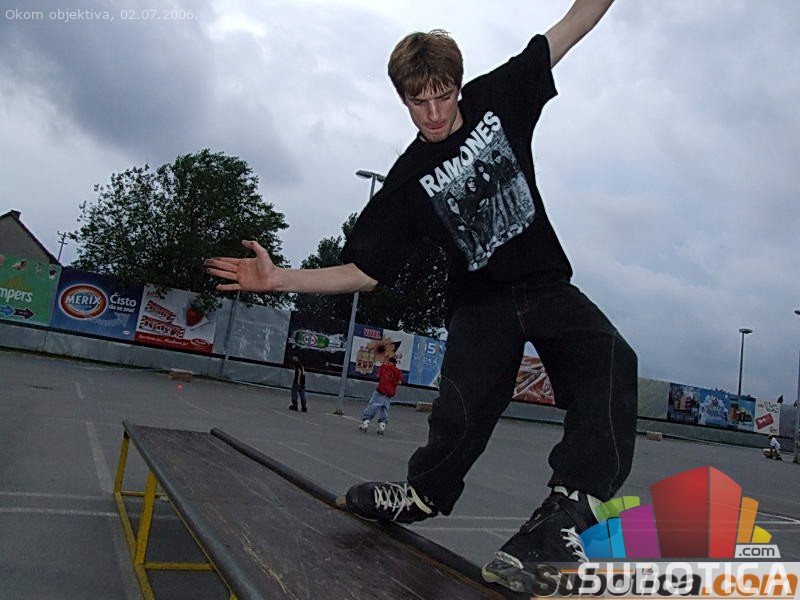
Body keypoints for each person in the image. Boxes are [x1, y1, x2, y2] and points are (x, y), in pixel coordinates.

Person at [205, 1, 637, 593]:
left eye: (444, 97)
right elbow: (364, 272)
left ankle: (567, 512)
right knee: (461, 412)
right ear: (402, 99)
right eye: (418, 102)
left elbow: (575, 23)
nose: (434, 114)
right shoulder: (407, 181)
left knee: (611, 357)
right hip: (480, 305)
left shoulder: (502, 94)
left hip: (544, 284)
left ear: (459, 85)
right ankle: (422, 494)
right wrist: (280, 279)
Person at [360, 356, 403, 435]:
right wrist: (392, 382)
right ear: (395, 363)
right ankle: (382, 425)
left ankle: (366, 422)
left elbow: (378, 376)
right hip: (389, 393)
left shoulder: (384, 367)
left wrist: (384, 379)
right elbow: (399, 382)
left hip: (381, 390)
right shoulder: (398, 371)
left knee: (373, 405)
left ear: (389, 362)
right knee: (384, 409)